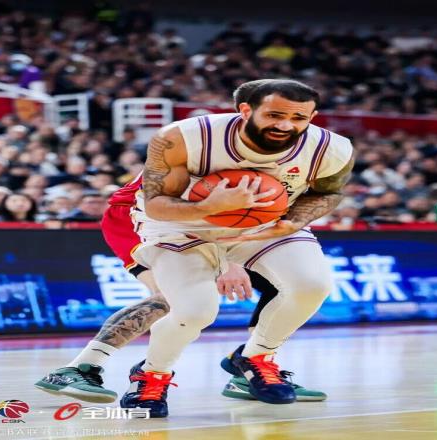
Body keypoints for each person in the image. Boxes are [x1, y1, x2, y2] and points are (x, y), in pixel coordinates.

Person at [121, 78, 354, 417]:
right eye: (274, 115)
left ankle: (256, 356)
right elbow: (157, 204)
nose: (286, 125)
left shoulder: (331, 148)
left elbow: (328, 193)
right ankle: (152, 375)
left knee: (311, 285)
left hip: (263, 222)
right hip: (181, 224)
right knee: (195, 311)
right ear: (245, 110)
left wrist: (293, 221)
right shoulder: (183, 138)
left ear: (312, 117)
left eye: (298, 118)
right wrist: (208, 206)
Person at [34, 169, 326, 402]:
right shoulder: (216, 142)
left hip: (220, 223)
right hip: (144, 216)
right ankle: (80, 367)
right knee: (172, 299)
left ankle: (252, 365)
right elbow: (203, 202)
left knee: (288, 286)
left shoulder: (296, 152)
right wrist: (228, 263)